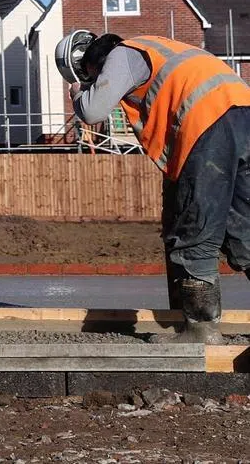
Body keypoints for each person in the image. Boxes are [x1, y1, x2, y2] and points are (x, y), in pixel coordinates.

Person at [56, 29, 250, 343]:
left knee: (194, 228)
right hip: (243, 113)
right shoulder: (158, 47)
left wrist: (78, 94)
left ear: (87, 66)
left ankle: (201, 332)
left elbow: (92, 111)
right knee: (246, 229)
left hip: (207, 124)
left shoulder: (122, 56)